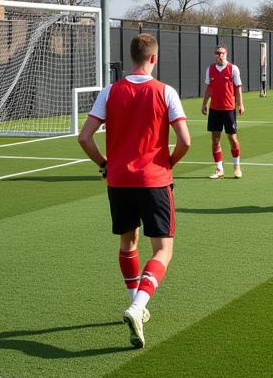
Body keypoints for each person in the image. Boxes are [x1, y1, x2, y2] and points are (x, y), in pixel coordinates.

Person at [78, 33, 190, 349]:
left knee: (128, 242)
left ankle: (135, 302)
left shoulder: (110, 91)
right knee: (163, 250)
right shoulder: (166, 92)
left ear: (131, 57)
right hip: (154, 181)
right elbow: (185, 140)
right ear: (153, 58)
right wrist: (168, 162)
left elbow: (84, 137)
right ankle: (138, 306)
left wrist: (104, 164)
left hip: (119, 182)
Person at [201, 45, 245, 179]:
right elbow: (209, 88)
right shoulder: (210, 69)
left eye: (222, 53)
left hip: (229, 109)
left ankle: (236, 167)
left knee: (232, 138)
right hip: (215, 109)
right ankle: (219, 169)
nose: (219, 55)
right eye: (217, 53)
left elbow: (238, 88)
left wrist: (240, 104)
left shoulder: (233, 69)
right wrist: (204, 103)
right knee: (215, 139)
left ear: (226, 54)